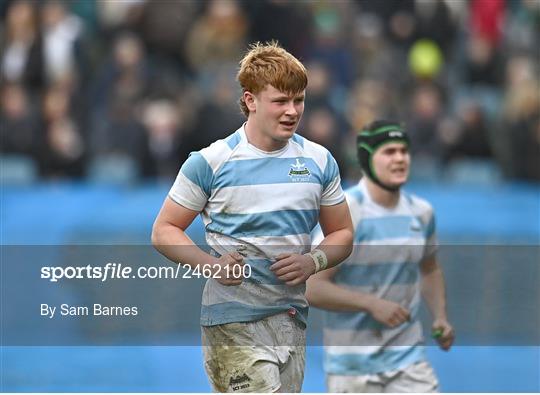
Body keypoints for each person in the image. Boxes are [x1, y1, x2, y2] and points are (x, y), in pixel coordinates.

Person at [151, 41, 353, 393]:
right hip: (232, 321)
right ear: (250, 101)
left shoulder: (320, 161)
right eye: (281, 101)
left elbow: (343, 234)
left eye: (299, 100)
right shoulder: (210, 162)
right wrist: (209, 264)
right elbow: (164, 230)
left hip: (291, 318)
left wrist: (314, 261)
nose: (292, 111)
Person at [306, 120, 455, 393]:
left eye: (403, 151)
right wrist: (371, 304)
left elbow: (430, 268)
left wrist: (440, 317)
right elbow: (311, 287)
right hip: (352, 368)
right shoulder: (347, 212)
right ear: (367, 159)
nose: (399, 158)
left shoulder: (422, 212)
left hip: (408, 361)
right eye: (389, 152)